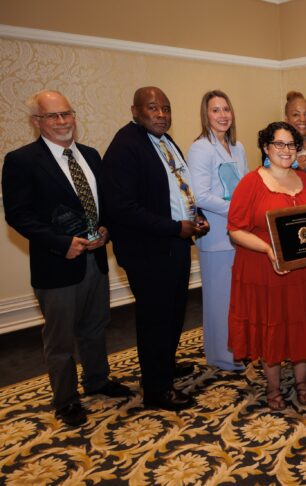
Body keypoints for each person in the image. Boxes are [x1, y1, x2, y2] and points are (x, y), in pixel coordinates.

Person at [2, 90, 132, 427]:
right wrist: (61, 244)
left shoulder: (90, 155)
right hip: (57, 263)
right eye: (53, 116)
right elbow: (18, 215)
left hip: (95, 258)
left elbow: (105, 202)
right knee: (60, 339)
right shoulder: (22, 161)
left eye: (67, 114)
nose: (62, 122)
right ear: (37, 122)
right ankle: (66, 400)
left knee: (95, 326)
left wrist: (107, 229)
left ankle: (98, 381)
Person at [103, 86, 210, 411]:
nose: (161, 114)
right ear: (135, 111)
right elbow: (122, 208)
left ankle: (164, 364)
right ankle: (156, 390)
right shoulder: (125, 147)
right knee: (155, 319)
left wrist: (196, 215)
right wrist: (175, 227)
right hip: (148, 251)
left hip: (173, 244)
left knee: (173, 311)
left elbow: (180, 190)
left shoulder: (164, 141)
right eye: (153, 108)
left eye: (166, 108)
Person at [227, 122, 306, 410]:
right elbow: (235, 229)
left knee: (303, 323)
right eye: (279, 144)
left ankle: (302, 381)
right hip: (267, 270)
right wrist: (268, 249)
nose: (286, 151)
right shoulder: (251, 183)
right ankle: (273, 387)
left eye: (291, 145)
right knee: (272, 327)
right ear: (266, 147)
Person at [187, 90, 247, 371]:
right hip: (216, 236)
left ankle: (238, 347)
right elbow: (200, 195)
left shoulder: (239, 147)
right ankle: (221, 356)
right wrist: (238, 208)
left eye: (226, 109)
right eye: (215, 110)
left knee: (238, 299)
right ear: (206, 115)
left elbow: (245, 188)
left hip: (239, 233)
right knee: (219, 300)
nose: (222, 115)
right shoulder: (200, 148)